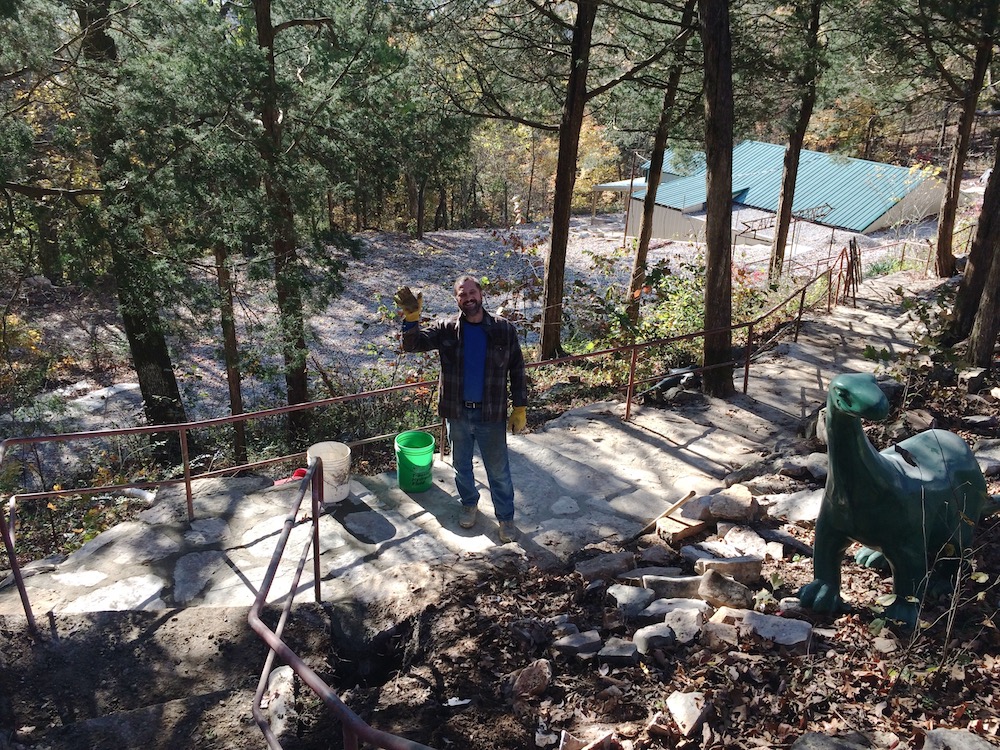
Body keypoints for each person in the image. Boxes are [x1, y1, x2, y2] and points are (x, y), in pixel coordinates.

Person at [394, 276, 528, 543]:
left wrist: (520, 406)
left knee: (498, 470)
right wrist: (411, 319)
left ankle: (506, 519)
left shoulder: (504, 329)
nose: (468, 298)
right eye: (462, 294)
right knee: (461, 465)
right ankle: (469, 504)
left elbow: (517, 369)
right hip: (457, 413)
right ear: (457, 300)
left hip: (491, 413)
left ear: (481, 294)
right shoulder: (447, 328)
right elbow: (412, 345)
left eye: (472, 292)